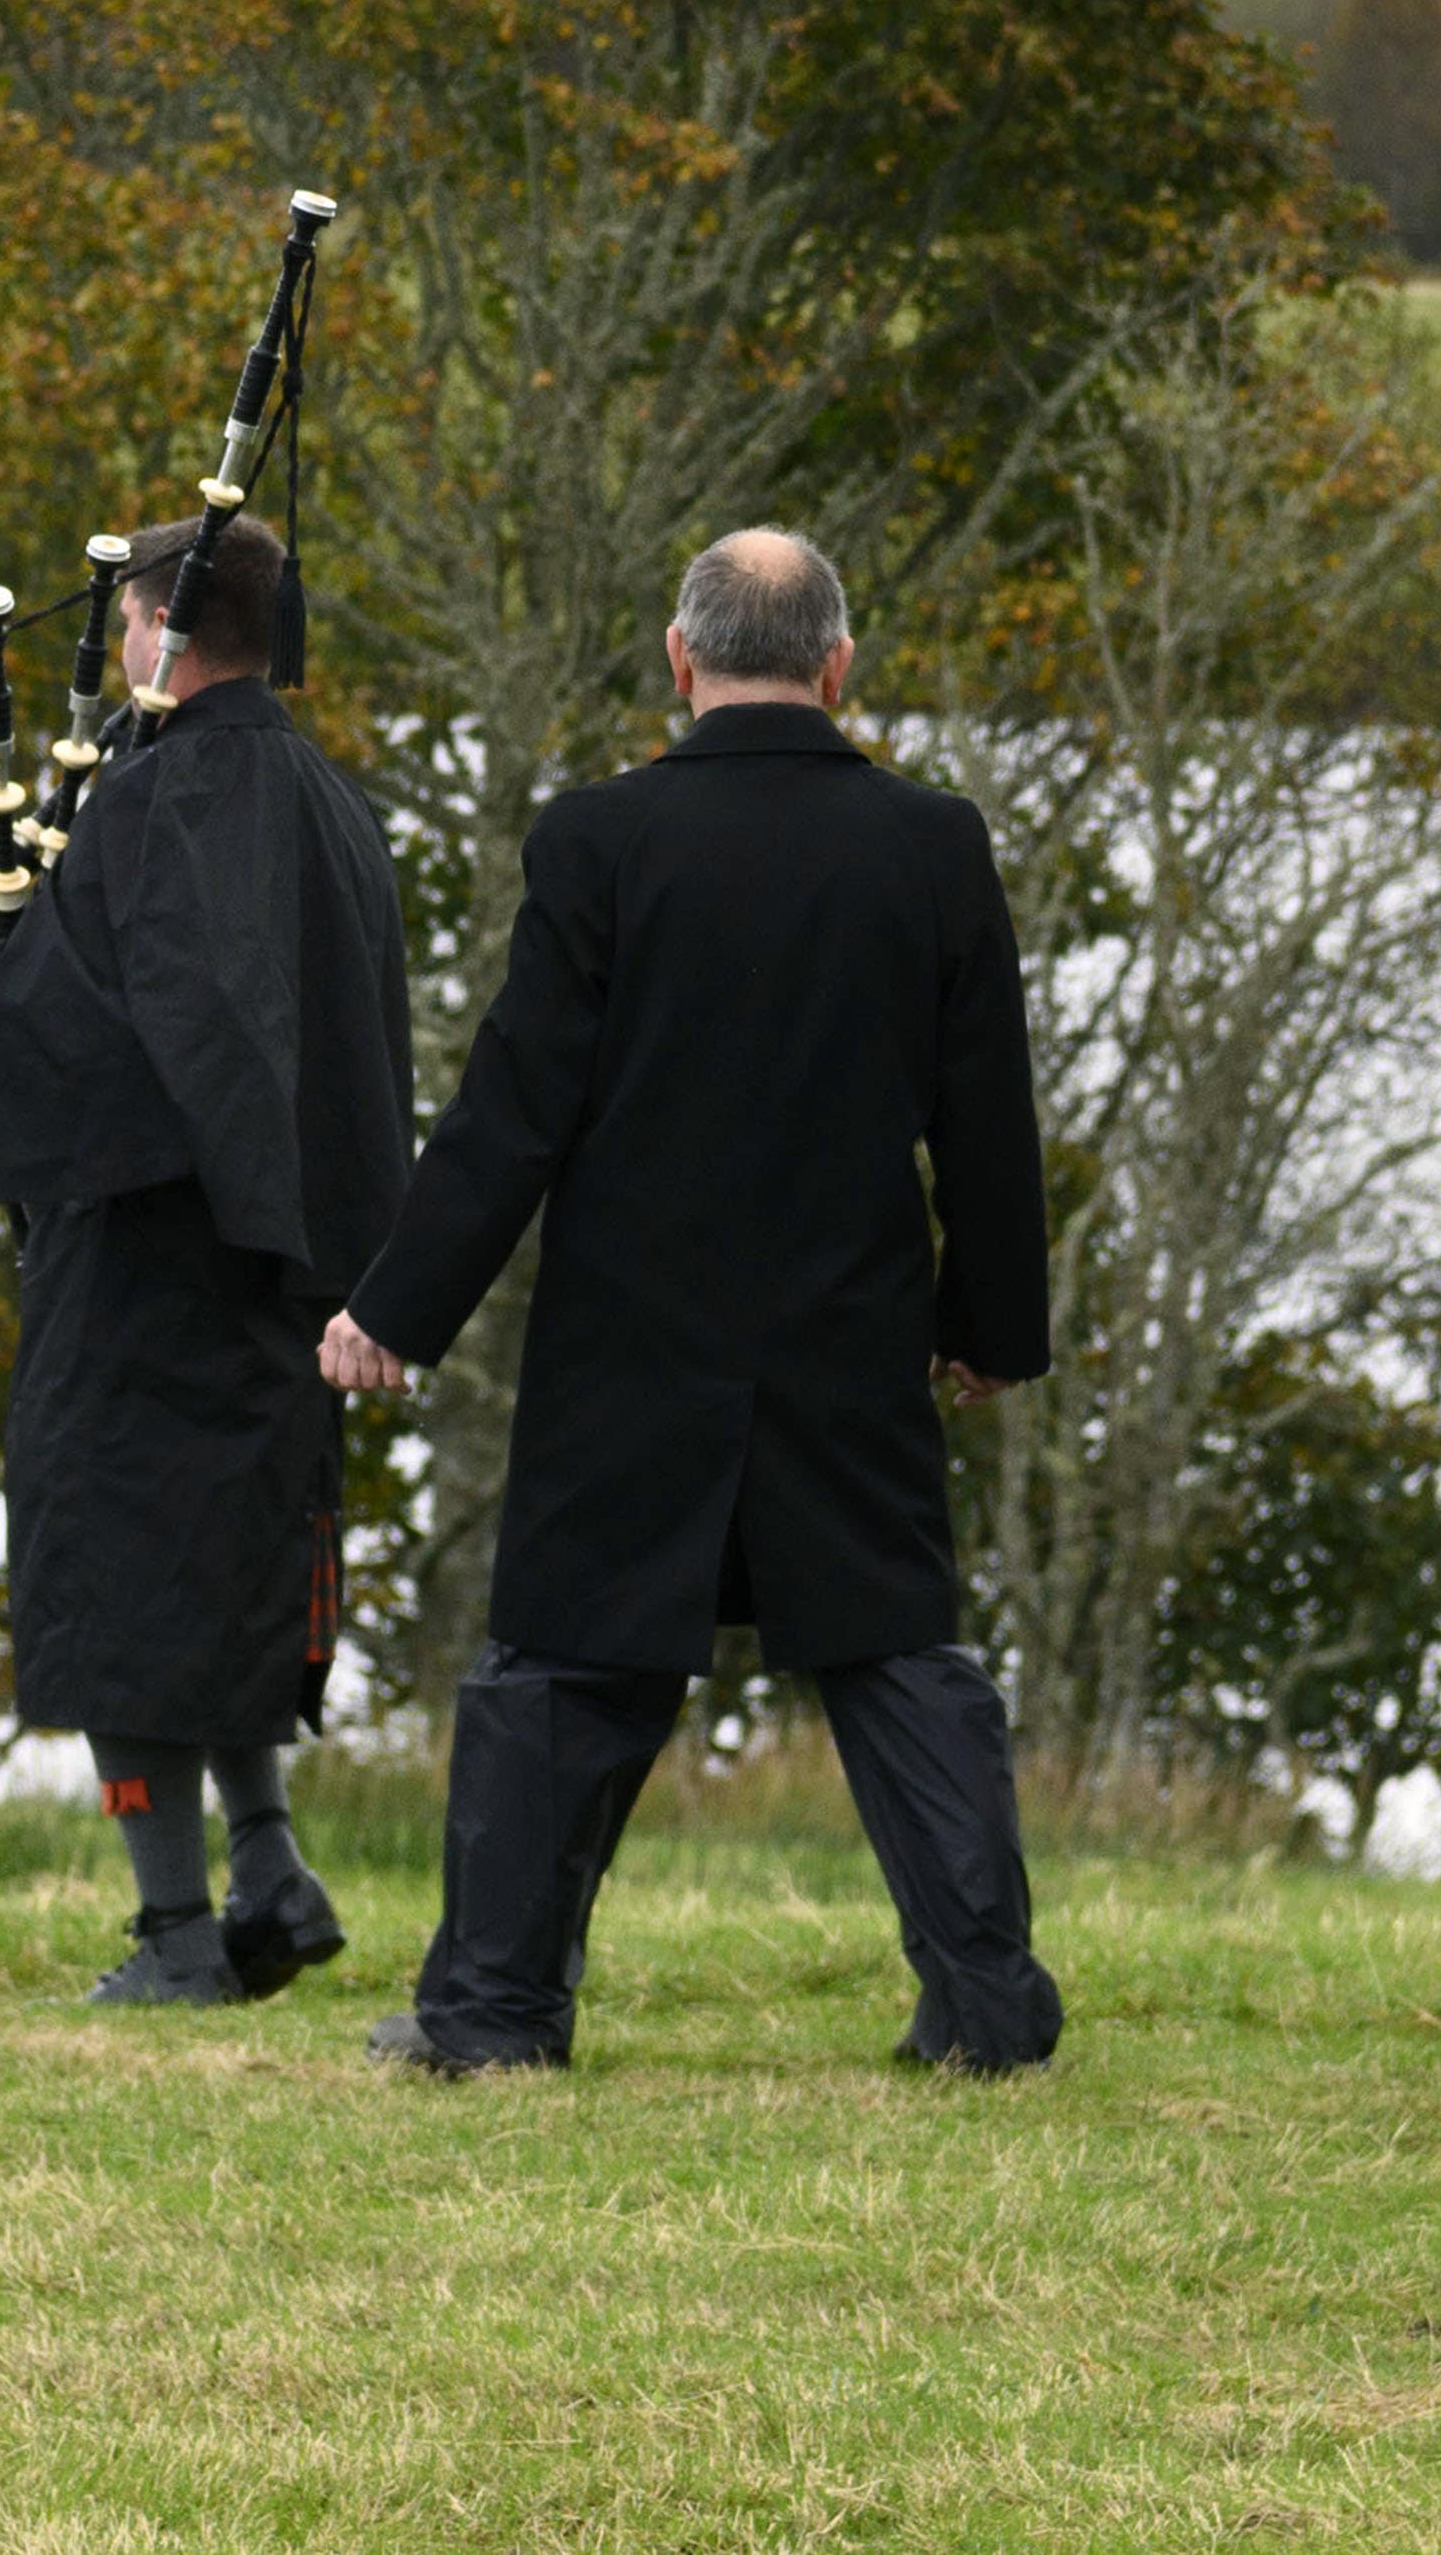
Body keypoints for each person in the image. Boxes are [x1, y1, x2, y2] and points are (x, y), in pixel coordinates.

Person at [329, 530, 1061, 2081]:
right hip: (847, 1333)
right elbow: (986, 1120)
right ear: (837, 666)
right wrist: (987, 1327)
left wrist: (394, 1308)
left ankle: (494, 2016)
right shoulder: (931, 845)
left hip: (630, 1341)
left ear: (679, 658)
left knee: (562, 1670)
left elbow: (513, 1110)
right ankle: (988, 2011)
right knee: (895, 1657)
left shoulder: (597, 842)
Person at [0, 506, 414, 2008]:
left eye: (131, 622)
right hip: (290, 1262)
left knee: (119, 1572)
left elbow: (102, 1029)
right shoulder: (333, 803)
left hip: (144, 1251)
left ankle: (174, 1931)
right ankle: (267, 1863)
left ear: (159, 633)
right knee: (236, 1559)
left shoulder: (145, 808)